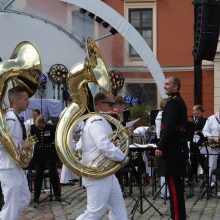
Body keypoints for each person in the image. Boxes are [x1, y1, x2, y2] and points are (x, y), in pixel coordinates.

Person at [76, 92, 128, 220]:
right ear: (99, 105)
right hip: (98, 172)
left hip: (106, 172)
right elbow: (104, 145)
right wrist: (122, 157)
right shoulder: (96, 121)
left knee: (119, 211)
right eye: (110, 104)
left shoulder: (101, 120)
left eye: (113, 103)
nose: (113, 107)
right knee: (94, 213)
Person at [155, 76, 188, 220]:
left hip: (172, 150)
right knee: (175, 185)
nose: (165, 86)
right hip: (175, 148)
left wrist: (161, 146)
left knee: (174, 186)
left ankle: (177, 217)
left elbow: (168, 128)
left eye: (167, 84)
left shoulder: (173, 103)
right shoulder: (175, 101)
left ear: (175, 87)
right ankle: (177, 215)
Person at [0, 86, 31, 220]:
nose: (28, 102)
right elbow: (2, 142)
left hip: (15, 166)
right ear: (16, 101)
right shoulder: (10, 118)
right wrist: (22, 145)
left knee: (25, 198)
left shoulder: (15, 117)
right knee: (11, 205)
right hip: (9, 167)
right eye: (25, 99)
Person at [30, 115, 60, 202]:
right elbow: (32, 139)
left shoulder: (51, 127)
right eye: (38, 126)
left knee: (53, 172)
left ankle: (57, 195)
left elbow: (55, 138)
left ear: (44, 123)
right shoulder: (33, 128)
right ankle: (36, 196)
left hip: (50, 152)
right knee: (38, 174)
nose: (40, 128)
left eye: (41, 125)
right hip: (38, 153)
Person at [187, 104, 207, 197]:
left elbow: (205, 133)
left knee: (203, 163)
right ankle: (191, 183)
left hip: (200, 145)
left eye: (195, 110)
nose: (193, 112)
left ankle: (208, 182)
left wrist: (198, 132)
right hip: (193, 145)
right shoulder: (193, 120)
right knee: (193, 164)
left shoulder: (204, 120)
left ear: (199, 111)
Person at [155, 99, 170, 199]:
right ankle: (165, 192)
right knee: (165, 168)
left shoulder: (161, 114)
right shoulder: (162, 115)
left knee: (166, 168)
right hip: (163, 142)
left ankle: (166, 191)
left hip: (163, 141)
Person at [202, 107, 220, 186]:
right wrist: (212, 137)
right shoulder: (211, 118)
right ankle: (212, 182)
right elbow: (204, 131)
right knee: (212, 163)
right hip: (214, 143)